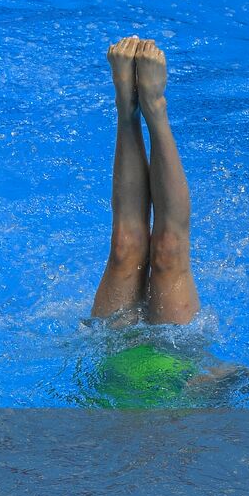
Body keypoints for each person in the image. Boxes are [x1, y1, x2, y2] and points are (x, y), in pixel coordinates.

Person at [92, 37, 200, 325]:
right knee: (168, 252)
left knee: (124, 247)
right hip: (173, 352)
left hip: (113, 344)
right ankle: (152, 106)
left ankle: (131, 105)